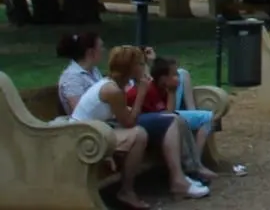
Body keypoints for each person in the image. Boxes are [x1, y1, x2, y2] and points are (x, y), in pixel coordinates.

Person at [69, 44, 209, 204]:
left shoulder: (116, 85)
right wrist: (141, 93)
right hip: (84, 135)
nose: (144, 68)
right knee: (139, 134)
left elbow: (124, 114)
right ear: (130, 68)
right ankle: (127, 191)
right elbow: (129, 122)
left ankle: (182, 176)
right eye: (141, 64)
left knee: (165, 122)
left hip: (98, 129)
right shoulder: (112, 90)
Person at [127, 56, 217, 184]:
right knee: (178, 120)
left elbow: (168, 112)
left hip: (160, 124)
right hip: (142, 127)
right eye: (174, 74)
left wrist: (172, 91)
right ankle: (192, 169)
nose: (177, 78)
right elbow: (167, 116)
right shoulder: (149, 90)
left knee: (181, 120)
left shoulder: (162, 89)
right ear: (163, 78)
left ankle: (195, 166)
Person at [56, 30, 105, 115]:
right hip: (87, 123)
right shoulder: (71, 78)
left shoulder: (94, 70)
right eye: (101, 47)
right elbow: (80, 113)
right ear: (90, 52)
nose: (103, 50)